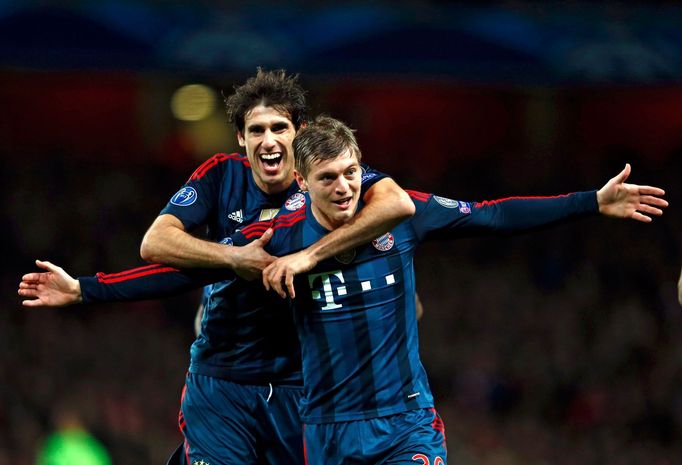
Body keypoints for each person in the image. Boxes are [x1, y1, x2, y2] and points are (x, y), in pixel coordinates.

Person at [22, 116, 667, 464]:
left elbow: (494, 214)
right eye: (329, 177)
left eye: (354, 172)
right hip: (324, 430)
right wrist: (86, 289)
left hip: (405, 422)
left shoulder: (404, 211)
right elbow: (183, 271)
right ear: (302, 181)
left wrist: (591, 201)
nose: (345, 187)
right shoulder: (272, 239)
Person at [19, 70, 415, 465]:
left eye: (279, 127)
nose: (269, 140)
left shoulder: (327, 180)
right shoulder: (221, 174)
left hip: (303, 384)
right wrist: (235, 258)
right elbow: (155, 243)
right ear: (241, 137)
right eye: (256, 130)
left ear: (301, 131)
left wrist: (321, 259)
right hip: (223, 377)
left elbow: (395, 203)